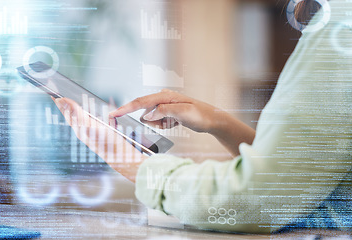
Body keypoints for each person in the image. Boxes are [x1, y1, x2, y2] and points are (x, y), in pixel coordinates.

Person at [54, 0, 352, 233]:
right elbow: (309, 182)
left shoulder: (341, 23)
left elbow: (254, 201)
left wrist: (127, 160)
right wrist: (219, 122)